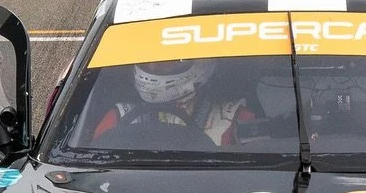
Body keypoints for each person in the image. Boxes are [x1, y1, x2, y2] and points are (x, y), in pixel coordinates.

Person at [92, 58, 254, 147]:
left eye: (166, 61)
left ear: (199, 63)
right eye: (146, 59)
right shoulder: (119, 118)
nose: (153, 65)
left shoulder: (234, 120)